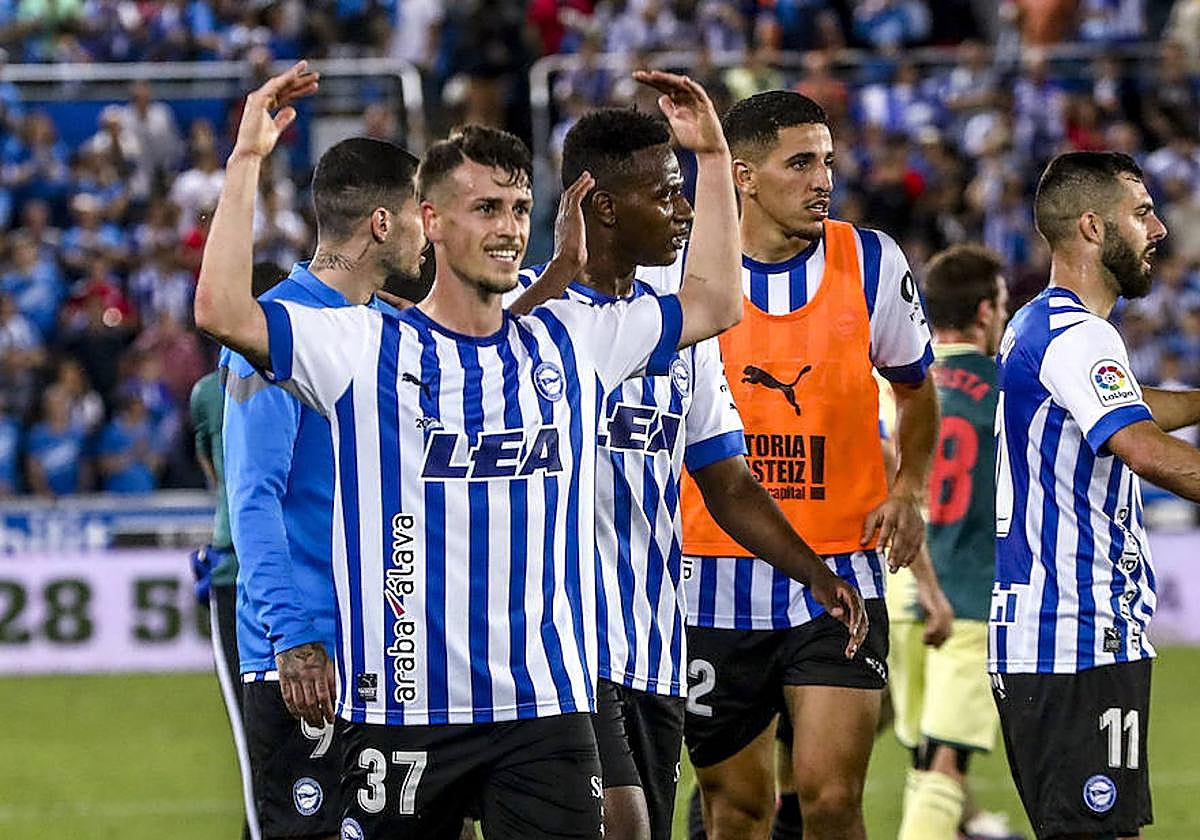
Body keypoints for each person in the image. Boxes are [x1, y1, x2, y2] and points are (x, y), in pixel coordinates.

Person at [194, 61, 746, 840]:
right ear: (432, 221)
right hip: (406, 709)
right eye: (485, 208)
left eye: (520, 207)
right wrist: (247, 159)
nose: (508, 227)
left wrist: (714, 162)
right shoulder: (361, 346)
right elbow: (221, 310)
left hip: (546, 710)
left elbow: (717, 300)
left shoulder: (573, 339)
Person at [508, 107, 867, 840]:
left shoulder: (677, 333)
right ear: (602, 206)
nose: (681, 211)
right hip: (557, 642)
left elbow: (727, 481)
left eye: (683, 190)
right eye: (664, 193)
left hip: (652, 645)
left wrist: (815, 573)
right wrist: (558, 273)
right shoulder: (529, 313)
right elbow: (470, 370)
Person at [680, 89, 939, 840]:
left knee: (831, 800)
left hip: (843, 566)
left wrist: (909, 488)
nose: (823, 178)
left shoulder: (871, 259)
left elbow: (916, 390)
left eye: (827, 160)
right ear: (745, 177)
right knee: (738, 811)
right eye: (800, 163)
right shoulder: (686, 272)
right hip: (713, 574)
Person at [220, 137, 425, 840]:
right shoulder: (272, 330)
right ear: (381, 223)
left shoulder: (388, 328)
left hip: (392, 653)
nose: (430, 227)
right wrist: (295, 635)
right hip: (313, 661)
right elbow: (254, 498)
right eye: (418, 211)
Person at [992, 150, 1200, 839]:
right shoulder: (1079, 335)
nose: (1159, 229)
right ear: (1091, 226)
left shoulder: (1044, 324)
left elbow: (1130, 410)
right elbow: (1143, 451)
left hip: (1072, 635)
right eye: (1141, 213)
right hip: (1068, 634)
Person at [888, 244, 1019, 840]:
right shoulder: (1007, 393)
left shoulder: (895, 382)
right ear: (987, 312)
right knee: (947, 759)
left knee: (922, 755)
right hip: (967, 595)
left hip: (899, 592)